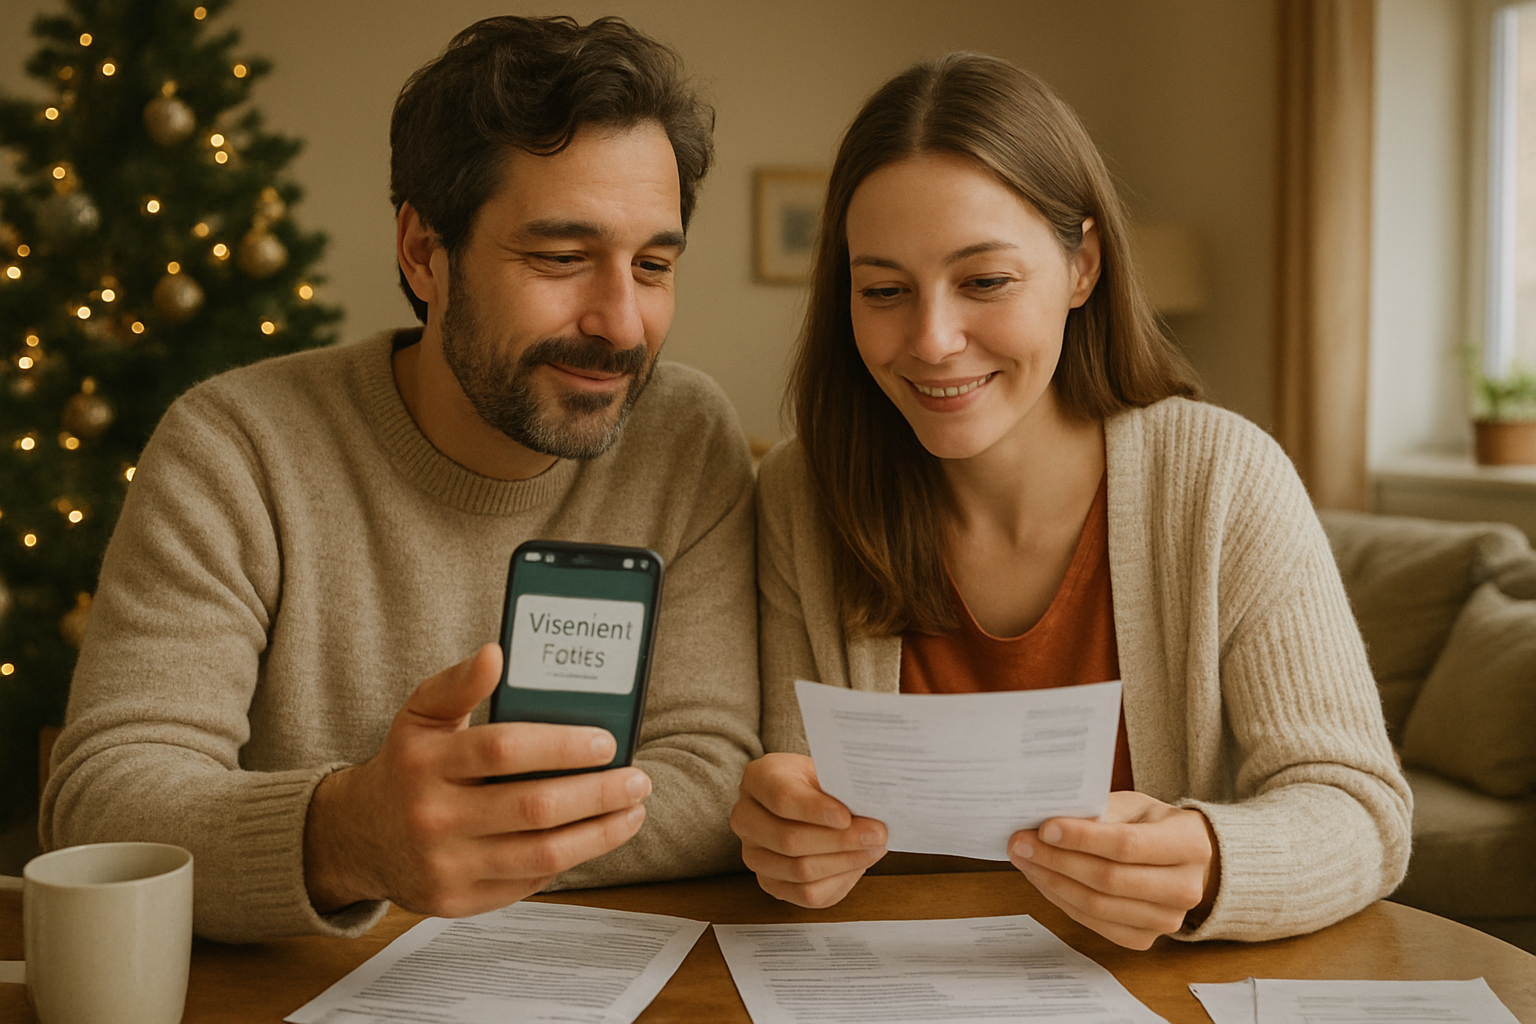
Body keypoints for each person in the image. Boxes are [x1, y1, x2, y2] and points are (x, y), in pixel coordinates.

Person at [41, 15, 761, 943]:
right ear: (423, 252)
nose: (621, 323)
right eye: (559, 257)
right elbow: (105, 803)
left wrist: (455, 833)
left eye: (653, 265)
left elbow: (712, 777)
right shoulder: (236, 447)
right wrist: (349, 836)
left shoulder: (684, 435)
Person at [732, 52, 1412, 949]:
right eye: (885, 290)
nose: (932, 340)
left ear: (1082, 266)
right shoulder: (797, 497)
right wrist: (782, 843)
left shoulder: (1221, 480)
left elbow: (1362, 810)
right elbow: (788, 809)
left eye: (985, 281)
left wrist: (1211, 861)